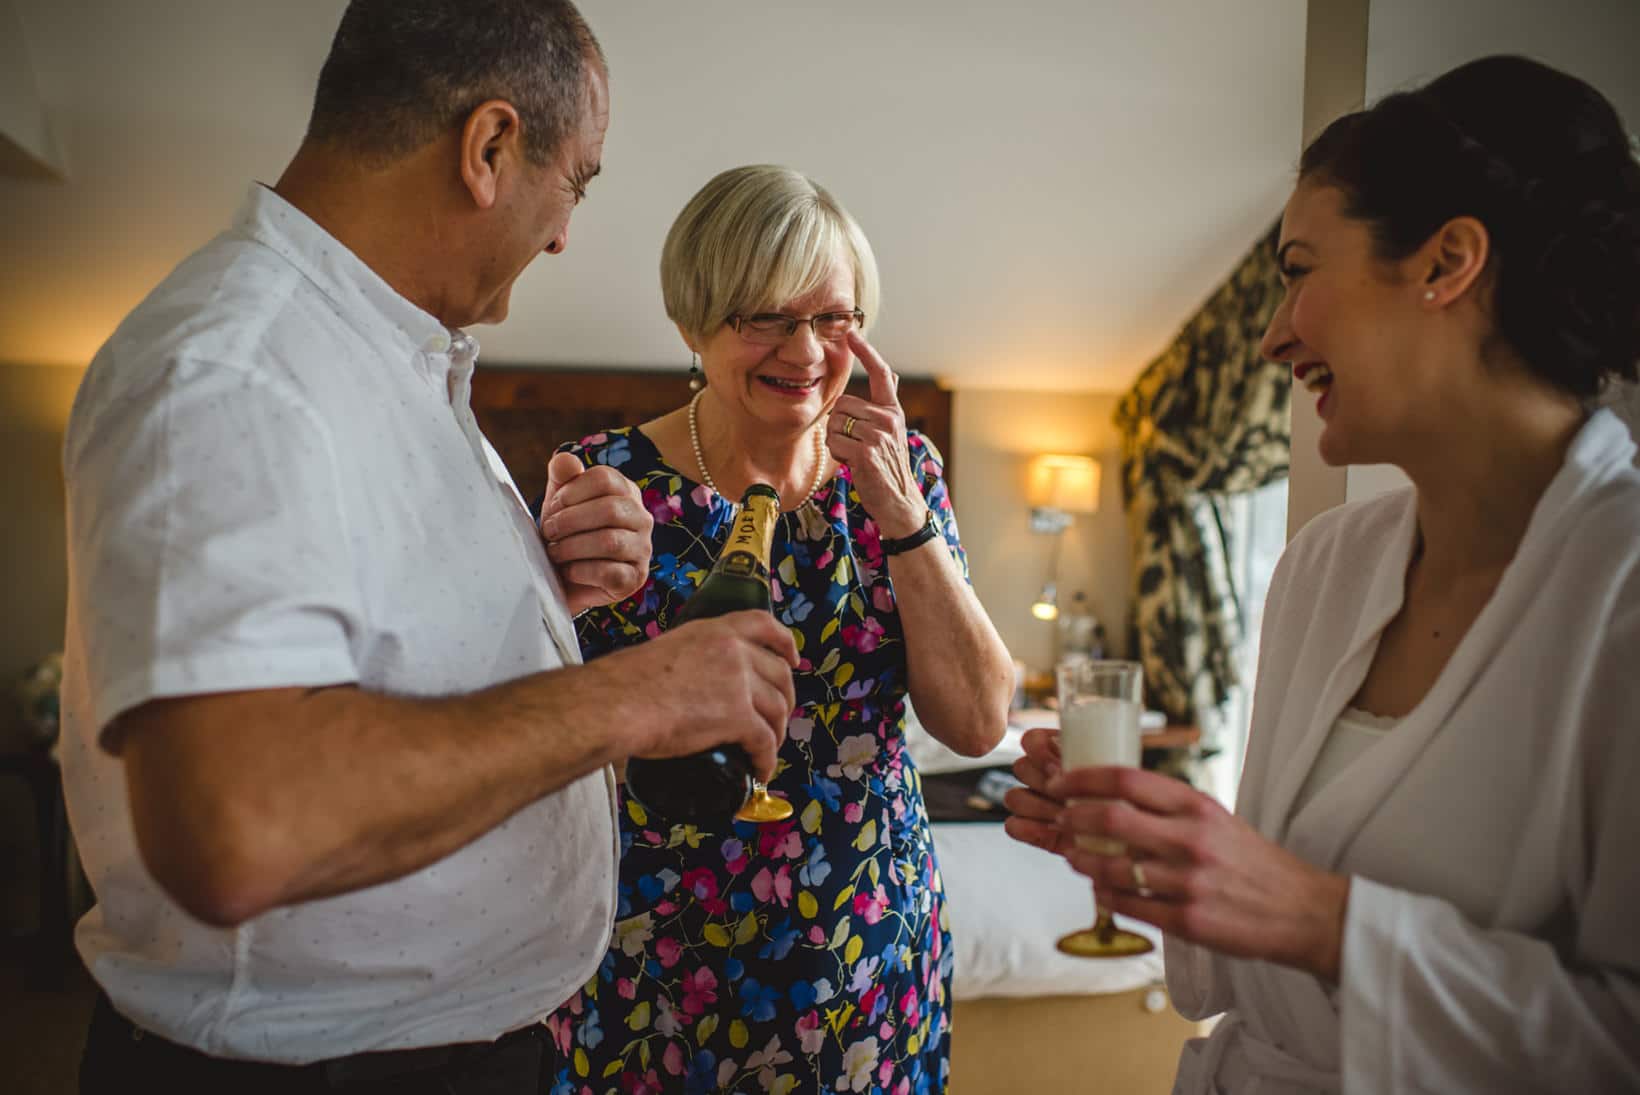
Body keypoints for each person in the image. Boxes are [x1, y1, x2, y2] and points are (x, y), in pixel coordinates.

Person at [60, 3, 799, 1091]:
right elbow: (239, 825)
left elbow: (361, 650)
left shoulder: (385, 354)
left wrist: (541, 595)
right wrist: (629, 698)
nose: (562, 237)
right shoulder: (236, 369)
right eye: (576, 183)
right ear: (490, 147)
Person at [1006, 55, 1640, 1093]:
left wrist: (1321, 921)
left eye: (1298, 270)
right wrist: (1163, 869)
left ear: (1445, 263)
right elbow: (1249, 959)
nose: (1268, 336)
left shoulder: (1615, 594)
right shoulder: (1322, 569)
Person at [541, 164, 1014, 1095]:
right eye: (763, 315)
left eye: (833, 318)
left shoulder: (902, 464)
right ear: (693, 322)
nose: (804, 350)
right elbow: (532, 726)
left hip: (869, 958)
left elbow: (978, 723)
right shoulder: (607, 484)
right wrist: (566, 596)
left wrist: (904, 514)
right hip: (653, 962)